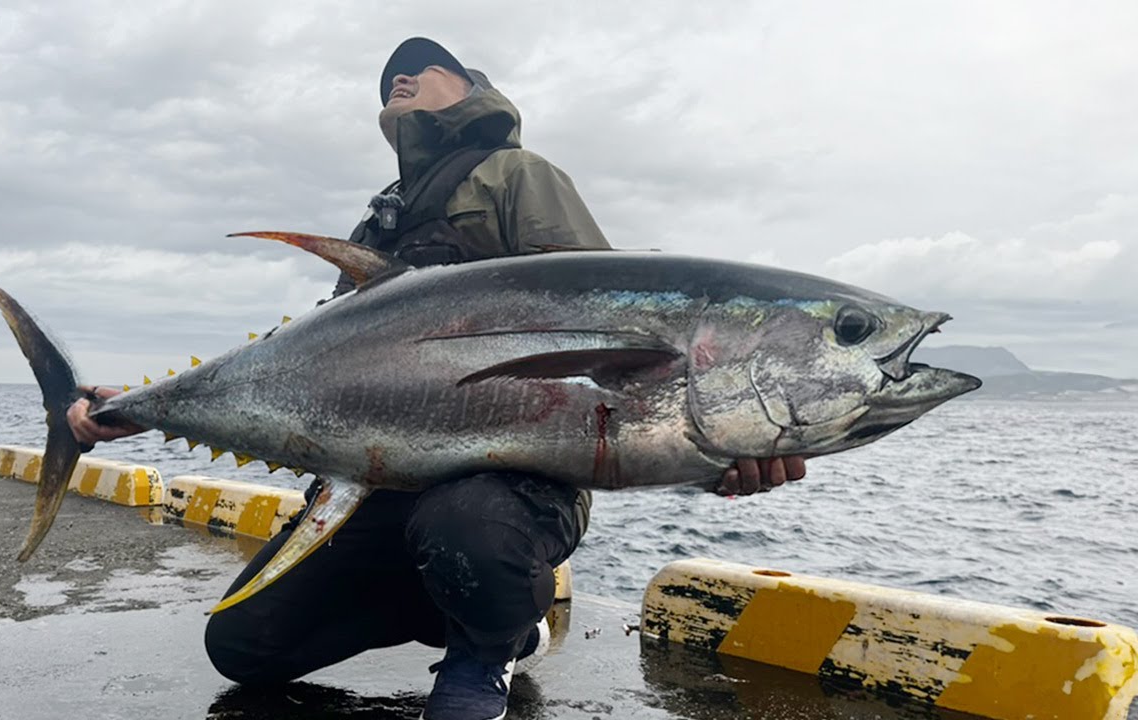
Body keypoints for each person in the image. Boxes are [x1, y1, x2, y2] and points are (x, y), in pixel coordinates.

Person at [68, 37, 806, 720]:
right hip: (384, 484)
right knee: (244, 646)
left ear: (474, 88)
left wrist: (709, 453)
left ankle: (489, 649)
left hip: (506, 485)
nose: (403, 69)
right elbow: (309, 371)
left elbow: (608, 337)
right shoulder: (382, 218)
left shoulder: (517, 174)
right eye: (394, 67)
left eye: (427, 61)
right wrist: (139, 407)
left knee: (467, 527)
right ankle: (478, 608)